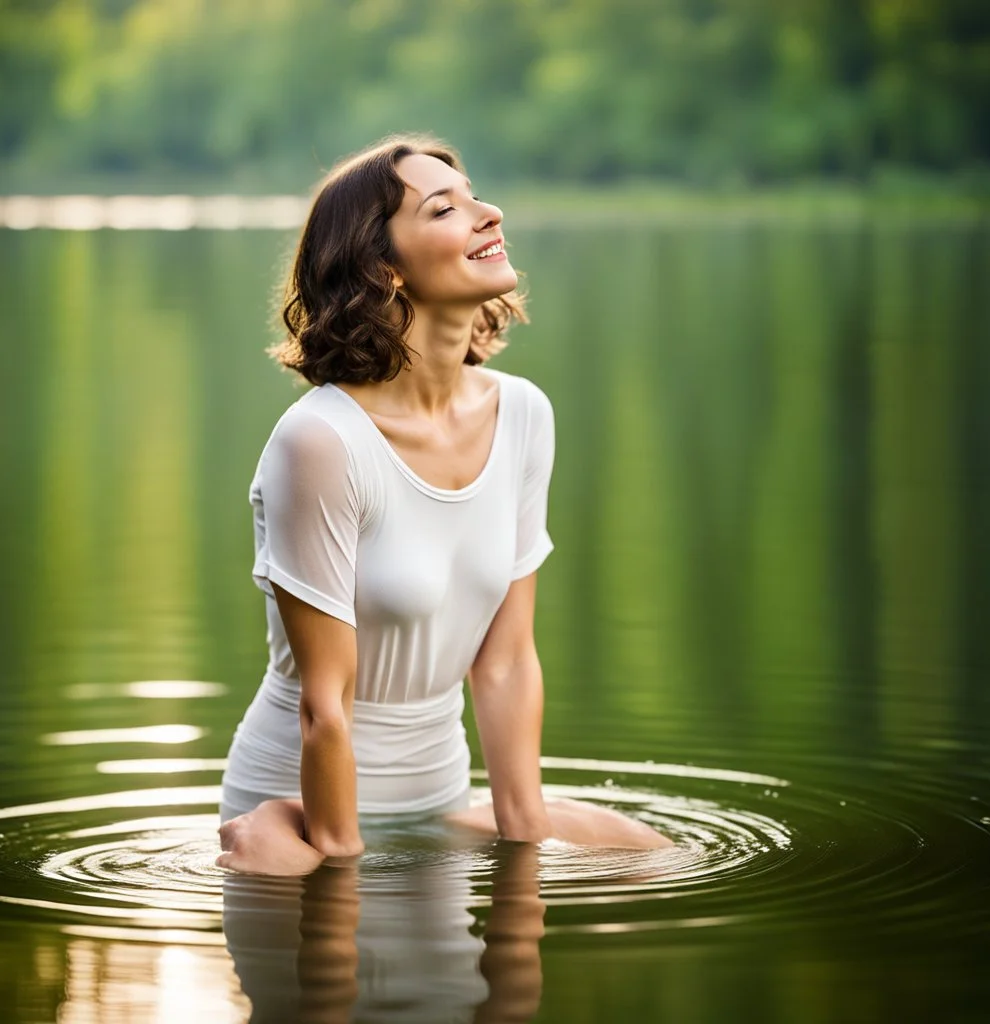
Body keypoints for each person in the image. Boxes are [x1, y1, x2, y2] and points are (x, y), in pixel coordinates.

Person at [217, 134, 671, 875]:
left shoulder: (523, 414)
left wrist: (525, 851)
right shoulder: (321, 441)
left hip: (441, 798)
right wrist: (339, 869)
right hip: (304, 811)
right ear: (383, 269)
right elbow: (322, 706)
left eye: (477, 197)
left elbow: (506, 663)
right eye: (446, 209)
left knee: (654, 855)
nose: (487, 213)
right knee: (292, 886)